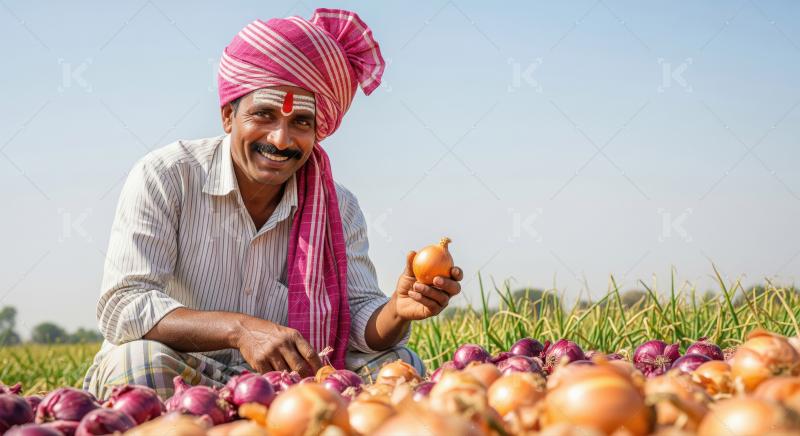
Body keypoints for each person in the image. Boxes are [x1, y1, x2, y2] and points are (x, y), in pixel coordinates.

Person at [83, 8, 462, 400]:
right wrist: (239, 329)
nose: (281, 140)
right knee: (137, 364)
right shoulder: (166, 176)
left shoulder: (338, 205)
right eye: (263, 115)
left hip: (285, 383)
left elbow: (356, 322)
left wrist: (397, 309)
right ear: (228, 116)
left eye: (301, 122)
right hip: (188, 372)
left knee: (398, 363)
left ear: (318, 129)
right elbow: (124, 305)